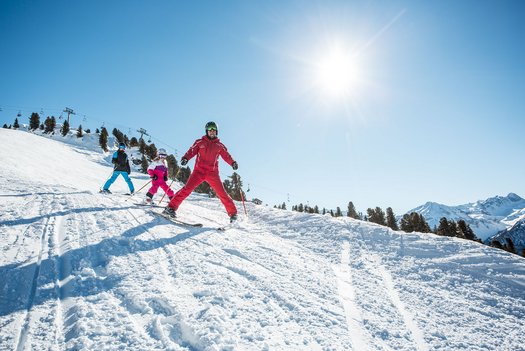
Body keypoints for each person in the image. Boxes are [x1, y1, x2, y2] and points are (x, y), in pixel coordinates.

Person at [163, 121, 239, 222]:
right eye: (210, 130)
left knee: (222, 193)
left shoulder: (219, 145)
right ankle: (170, 208)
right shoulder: (200, 142)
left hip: (212, 173)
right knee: (187, 189)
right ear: (206, 131)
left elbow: (226, 156)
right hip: (198, 171)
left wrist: (232, 163)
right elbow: (191, 151)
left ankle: (233, 214)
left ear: (216, 132)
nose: (212, 132)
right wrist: (186, 158)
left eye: (214, 130)